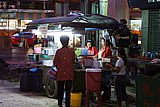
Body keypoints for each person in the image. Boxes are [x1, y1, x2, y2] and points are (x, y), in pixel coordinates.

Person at [53, 35, 75, 107]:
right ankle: (67, 105)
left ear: (61, 42)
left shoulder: (58, 51)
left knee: (60, 90)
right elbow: (73, 61)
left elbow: (55, 63)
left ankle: (60, 104)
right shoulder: (71, 51)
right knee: (68, 91)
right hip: (69, 74)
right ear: (68, 41)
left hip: (60, 74)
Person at [94, 37, 112, 102]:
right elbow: (97, 55)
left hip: (106, 68)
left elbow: (108, 59)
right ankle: (103, 96)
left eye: (103, 42)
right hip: (101, 67)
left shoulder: (108, 49)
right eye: (101, 42)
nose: (102, 43)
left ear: (106, 42)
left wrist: (100, 59)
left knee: (106, 83)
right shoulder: (102, 49)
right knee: (102, 82)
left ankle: (106, 96)